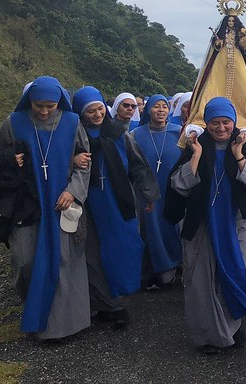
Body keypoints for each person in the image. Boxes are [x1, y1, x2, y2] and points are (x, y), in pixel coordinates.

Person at [0, 76, 92, 341]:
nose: (45, 112)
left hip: (61, 202)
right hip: (28, 204)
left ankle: (64, 326)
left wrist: (73, 191)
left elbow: (85, 161)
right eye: (39, 106)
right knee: (26, 261)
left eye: (50, 106)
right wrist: (11, 158)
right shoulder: (15, 122)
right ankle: (35, 311)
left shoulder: (72, 122)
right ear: (29, 102)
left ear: (60, 102)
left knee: (64, 263)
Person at [167, 97, 246, 354]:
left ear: (233, 122)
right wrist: (197, 156)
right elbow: (179, 185)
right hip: (203, 221)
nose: (221, 128)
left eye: (226, 122)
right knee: (203, 281)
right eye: (214, 123)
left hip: (238, 221)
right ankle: (212, 336)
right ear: (206, 123)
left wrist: (239, 157)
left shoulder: (244, 147)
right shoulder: (196, 147)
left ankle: (232, 321)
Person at [72, 87, 158, 330]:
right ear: (81, 113)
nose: (97, 114)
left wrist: (148, 193)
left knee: (122, 250)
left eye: (100, 109)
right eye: (90, 111)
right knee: (93, 253)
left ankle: (119, 304)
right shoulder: (76, 136)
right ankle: (102, 303)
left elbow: (138, 164)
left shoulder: (119, 133)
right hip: (89, 203)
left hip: (118, 201)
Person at [131, 94, 184, 289]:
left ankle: (171, 265)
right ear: (147, 110)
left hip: (172, 190)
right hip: (147, 192)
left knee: (170, 226)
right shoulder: (136, 134)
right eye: (156, 107)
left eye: (164, 106)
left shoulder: (179, 133)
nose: (161, 110)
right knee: (148, 228)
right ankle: (149, 271)